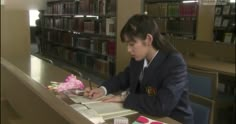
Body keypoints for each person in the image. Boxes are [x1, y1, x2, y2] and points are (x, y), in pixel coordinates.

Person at [84, 14, 194, 124]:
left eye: (132, 44)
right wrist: (103, 89)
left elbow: (162, 105)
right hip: (146, 114)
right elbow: (124, 77)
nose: (128, 49)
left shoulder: (174, 62)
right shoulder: (139, 57)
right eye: (127, 44)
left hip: (172, 119)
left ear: (148, 39)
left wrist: (125, 98)